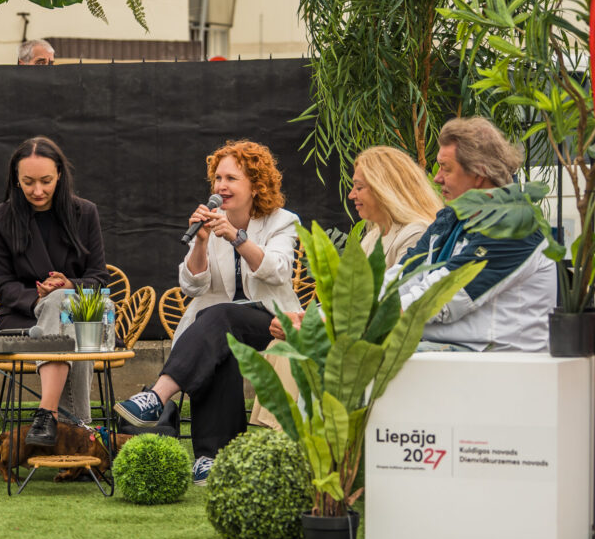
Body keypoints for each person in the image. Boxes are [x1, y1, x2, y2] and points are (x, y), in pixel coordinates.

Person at [271, 117, 555, 352]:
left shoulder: (513, 226)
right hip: (453, 351)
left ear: (479, 173)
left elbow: (437, 298)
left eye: (446, 168)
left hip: (495, 359)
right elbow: (400, 278)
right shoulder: (452, 219)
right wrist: (319, 316)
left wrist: (337, 325)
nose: (437, 178)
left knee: (345, 353)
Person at [114, 140, 302, 484]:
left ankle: (157, 396)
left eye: (231, 179)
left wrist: (237, 238)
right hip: (220, 327)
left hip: (272, 322)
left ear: (256, 185)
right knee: (220, 338)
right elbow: (192, 285)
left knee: (219, 318)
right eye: (217, 178)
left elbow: (278, 270)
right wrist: (201, 241)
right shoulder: (210, 223)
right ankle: (215, 458)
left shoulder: (281, 221)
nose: (221, 186)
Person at [250, 145, 441, 429]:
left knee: (295, 350)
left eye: (359, 187)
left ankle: (295, 438)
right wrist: (304, 320)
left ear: (385, 188)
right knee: (282, 344)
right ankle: (286, 437)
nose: (351, 195)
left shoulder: (415, 233)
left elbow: (391, 302)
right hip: (360, 333)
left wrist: (314, 326)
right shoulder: (374, 236)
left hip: (387, 340)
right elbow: (348, 301)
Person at [0, 136, 109, 446]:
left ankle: (47, 413)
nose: (37, 190)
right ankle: (77, 435)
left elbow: (98, 278)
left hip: (82, 316)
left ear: (60, 176)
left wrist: (70, 286)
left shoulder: (85, 213)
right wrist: (39, 299)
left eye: (46, 181)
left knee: (66, 309)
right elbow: (2, 284)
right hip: (24, 321)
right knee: (62, 313)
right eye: (28, 182)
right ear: (16, 178)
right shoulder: (0, 218)